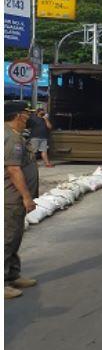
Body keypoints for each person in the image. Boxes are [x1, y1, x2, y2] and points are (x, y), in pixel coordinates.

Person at [5, 102, 39, 299]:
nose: (28, 118)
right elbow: (13, 169)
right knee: (8, 239)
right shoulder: (10, 138)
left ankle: (12, 275)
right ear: (18, 116)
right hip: (10, 196)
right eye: (26, 114)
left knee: (15, 236)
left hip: (13, 196)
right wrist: (26, 197)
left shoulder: (14, 135)